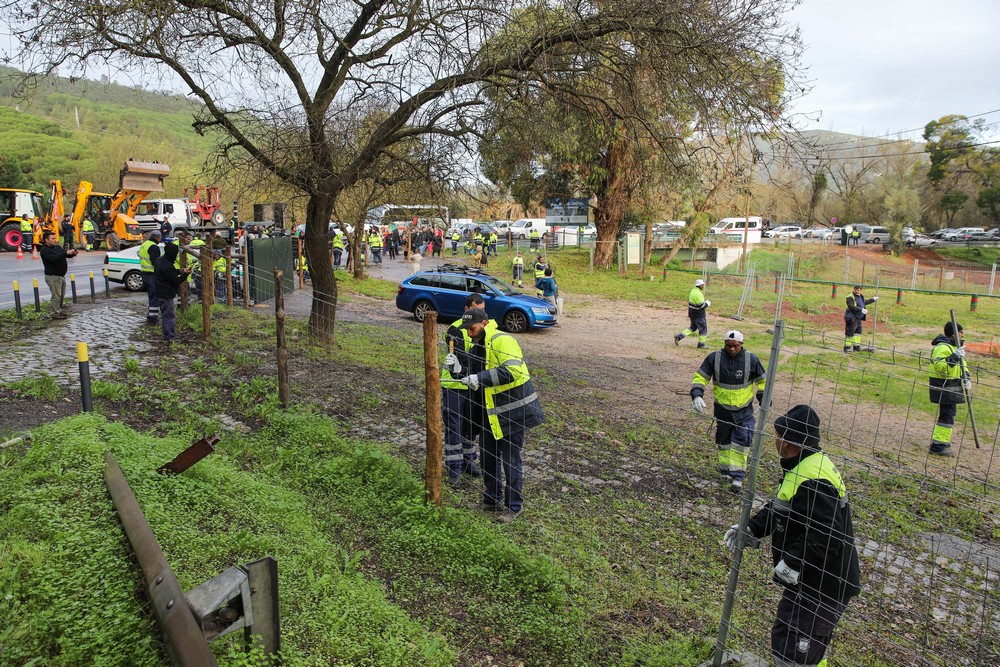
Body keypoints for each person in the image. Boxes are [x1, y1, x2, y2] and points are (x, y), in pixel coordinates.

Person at [723, 405, 861, 667]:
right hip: (810, 580)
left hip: (822, 585)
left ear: (786, 441)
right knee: (791, 638)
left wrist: (793, 562)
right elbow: (782, 508)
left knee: (796, 649)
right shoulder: (804, 465)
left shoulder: (813, 479)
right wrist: (752, 527)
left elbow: (826, 533)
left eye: (776, 435)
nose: (774, 440)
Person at [457, 308, 544, 523]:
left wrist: (480, 377)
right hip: (491, 412)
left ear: (484, 323)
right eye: (467, 329)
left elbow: (512, 371)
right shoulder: (478, 342)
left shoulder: (502, 340)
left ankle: (514, 506)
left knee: (510, 460)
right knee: (488, 457)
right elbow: (475, 375)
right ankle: (491, 498)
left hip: (513, 413)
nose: (469, 332)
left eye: (472, 328)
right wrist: (459, 370)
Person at [691, 330, 766, 491]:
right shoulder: (715, 358)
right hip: (723, 409)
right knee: (723, 442)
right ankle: (725, 471)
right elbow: (700, 377)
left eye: (735, 346)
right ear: (724, 344)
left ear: (742, 345)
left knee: (742, 440)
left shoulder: (751, 359)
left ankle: (738, 476)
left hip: (744, 410)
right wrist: (697, 395)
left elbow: (762, 382)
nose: (732, 349)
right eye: (728, 346)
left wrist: (764, 401)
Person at [440, 294, 488, 486]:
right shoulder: (456, 329)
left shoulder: (485, 327)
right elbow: (459, 358)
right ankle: (454, 468)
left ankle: (468, 461)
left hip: (473, 384)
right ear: (467, 309)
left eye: (483, 309)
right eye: (477, 308)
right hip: (455, 386)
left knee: (471, 425)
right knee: (454, 426)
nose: (481, 313)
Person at [928, 321, 970, 456]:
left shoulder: (954, 348)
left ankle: (943, 440)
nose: (962, 334)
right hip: (943, 386)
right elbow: (941, 368)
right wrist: (955, 357)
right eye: (961, 331)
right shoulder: (942, 347)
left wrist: (966, 377)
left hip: (952, 386)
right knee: (947, 415)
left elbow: (963, 366)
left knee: (950, 414)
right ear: (954, 333)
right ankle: (938, 445)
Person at [155, 243, 192, 342]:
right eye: (176, 253)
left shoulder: (160, 261)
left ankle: (166, 335)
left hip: (160, 292)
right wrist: (185, 274)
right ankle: (170, 337)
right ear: (172, 253)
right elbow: (176, 281)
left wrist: (181, 271)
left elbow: (170, 273)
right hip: (167, 294)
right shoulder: (167, 266)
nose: (176, 256)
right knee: (169, 316)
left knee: (165, 315)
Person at [39, 231, 79, 320]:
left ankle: (58, 310)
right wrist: (65, 253)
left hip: (61, 276)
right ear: (46, 240)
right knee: (56, 296)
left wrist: (72, 254)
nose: (55, 240)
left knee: (61, 296)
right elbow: (54, 259)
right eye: (52, 238)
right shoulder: (45, 250)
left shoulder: (57, 247)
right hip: (53, 276)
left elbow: (64, 255)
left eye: (55, 238)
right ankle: (54, 313)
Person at [674, 278, 710, 348]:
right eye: (702, 285)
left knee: (693, 327)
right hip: (698, 314)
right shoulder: (698, 294)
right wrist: (707, 303)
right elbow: (701, 306)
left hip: (692, 313)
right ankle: (701, 345)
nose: (703, 286)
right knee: (703, 329)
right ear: (700, 285)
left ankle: (679, 337)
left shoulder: (693, 291)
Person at [843, 285, 877, 352]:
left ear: (860, 290)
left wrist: (873, 299)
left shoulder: (861, 296)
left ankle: (856, 347)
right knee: (850, 332)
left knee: (858, 333)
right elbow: (851, 306)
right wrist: (861, 309)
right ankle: (847, 347)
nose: (856, 291)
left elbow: (864, 303)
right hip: (852, 317)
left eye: (858, 290)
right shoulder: (850, 297)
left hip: (858, 318)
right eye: (855, 290)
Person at [138, 231, 162, 325]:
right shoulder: (153, 247)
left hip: (144, 273)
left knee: (151, 296)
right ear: (157, 238)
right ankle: (152, 319)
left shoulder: (144, 244)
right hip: (152, 274)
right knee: (154, 298)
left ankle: (151, 317)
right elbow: (155, 262)